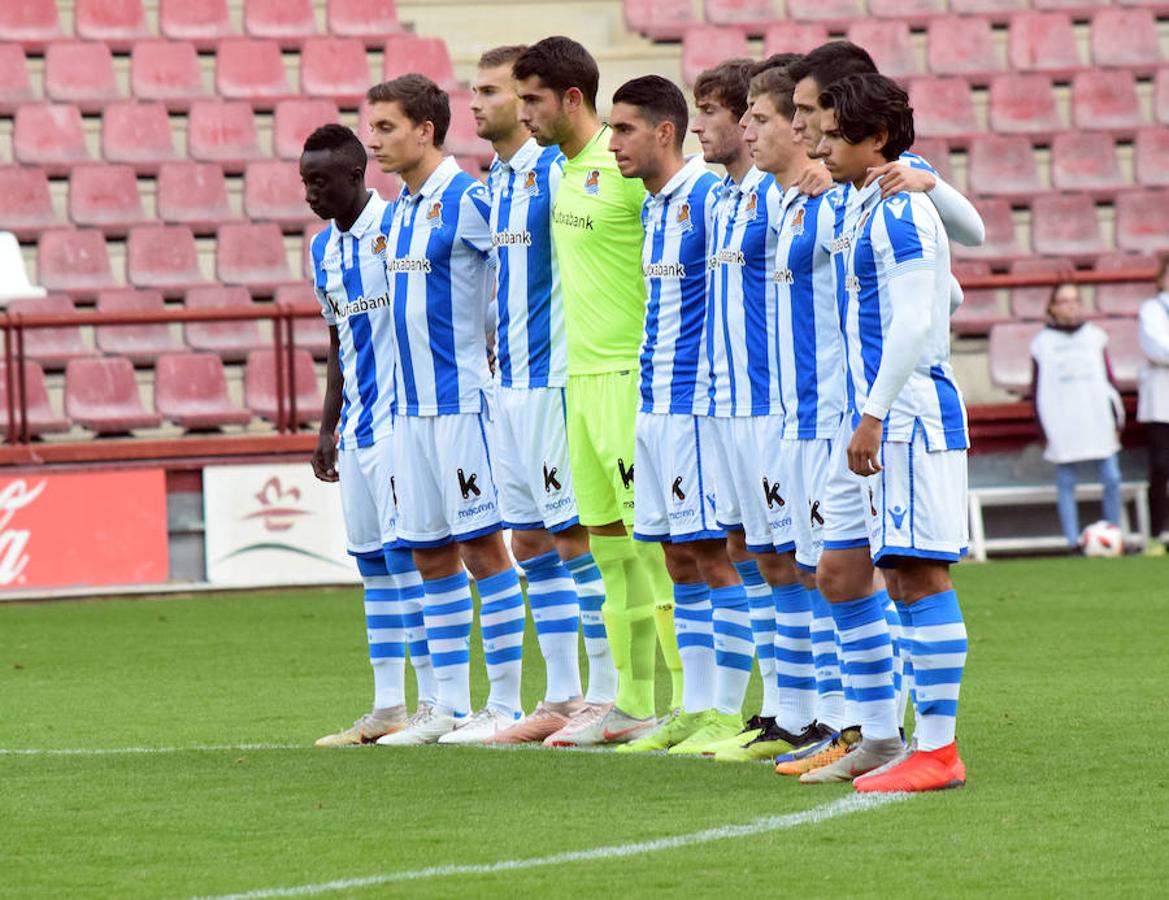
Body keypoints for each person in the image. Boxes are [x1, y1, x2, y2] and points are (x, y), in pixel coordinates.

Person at [514, 37, 683, 746]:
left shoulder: (625, 169)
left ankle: (689, 705)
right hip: (576, 384)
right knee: (606, 547)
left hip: (625, 378)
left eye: (531, 100)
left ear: (569, 99)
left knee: (654, 548)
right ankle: (632, 704)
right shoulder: (557, 171)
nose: (523, 114)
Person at [811, 73, 970, 793]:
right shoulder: (865, 207)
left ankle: (938, 750)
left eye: (833, 135)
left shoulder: (902, 210)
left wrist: (872, 412)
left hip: (903, 414)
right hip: (887, 411)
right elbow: (944, 294)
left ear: (875, 138)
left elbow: (910, 320)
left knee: (917, 572)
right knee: (897, 574)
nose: (821, 145)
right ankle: (912, 743)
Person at [363, 75, 526, 746]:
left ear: (425, 131)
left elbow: (513, 281)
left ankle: (508, 703)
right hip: (406, 414)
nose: (373, 141)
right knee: (428, 554)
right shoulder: (397, 210)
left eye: (385, 128)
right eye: (371, 129)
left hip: (461, 404)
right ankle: (446, 707)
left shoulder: (468, 198)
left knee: (484, 549)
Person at [467, 45, 611, 745]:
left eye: (495, 91)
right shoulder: (493, 181)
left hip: (558, 380)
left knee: (575, 533)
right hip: (510, 385)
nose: (483, 104)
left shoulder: (563, 172)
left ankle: (608, 694)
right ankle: (560, 693)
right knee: (527, 538)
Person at [602, 74, 746, 755]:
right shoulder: (653, 206)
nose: (612, 143)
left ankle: (727, 712)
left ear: (665, 131)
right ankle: (692, 708)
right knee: (674, 558)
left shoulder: (710, 198)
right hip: (652, 404)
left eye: (624, 128)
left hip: (696, 405)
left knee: (714, 557)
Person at [302, 124, 437, 747]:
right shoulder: (322, 249)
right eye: (305, 182)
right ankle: (388, 705)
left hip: (405, 421)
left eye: (320, 181)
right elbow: (337, 340)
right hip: (357, 426)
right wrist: (326, 427)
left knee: (414, 557)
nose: (310, 193)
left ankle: (437, 699)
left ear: (356, 177)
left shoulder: (399, 229)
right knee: (374, 565)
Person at [1030, 283, 1125, 551]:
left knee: (1112, 479)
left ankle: (1113, 534)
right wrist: (1042, 430)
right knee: (1067, 482)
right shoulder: (1042, 343)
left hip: (1096, 417)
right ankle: (1072, 542)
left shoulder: (1095, 337)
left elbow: (1109, 380)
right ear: (1052, 307)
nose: (1071, 306)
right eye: (1064, 301)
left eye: (1075, 300)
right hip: (1063, 421)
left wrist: (1118, 419)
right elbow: (1037, 388)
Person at [1138, 256, 1169, 556]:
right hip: (1162, 401)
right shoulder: (1152, 309)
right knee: (1161, 467)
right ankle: (1159, 532)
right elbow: (1157, 348)